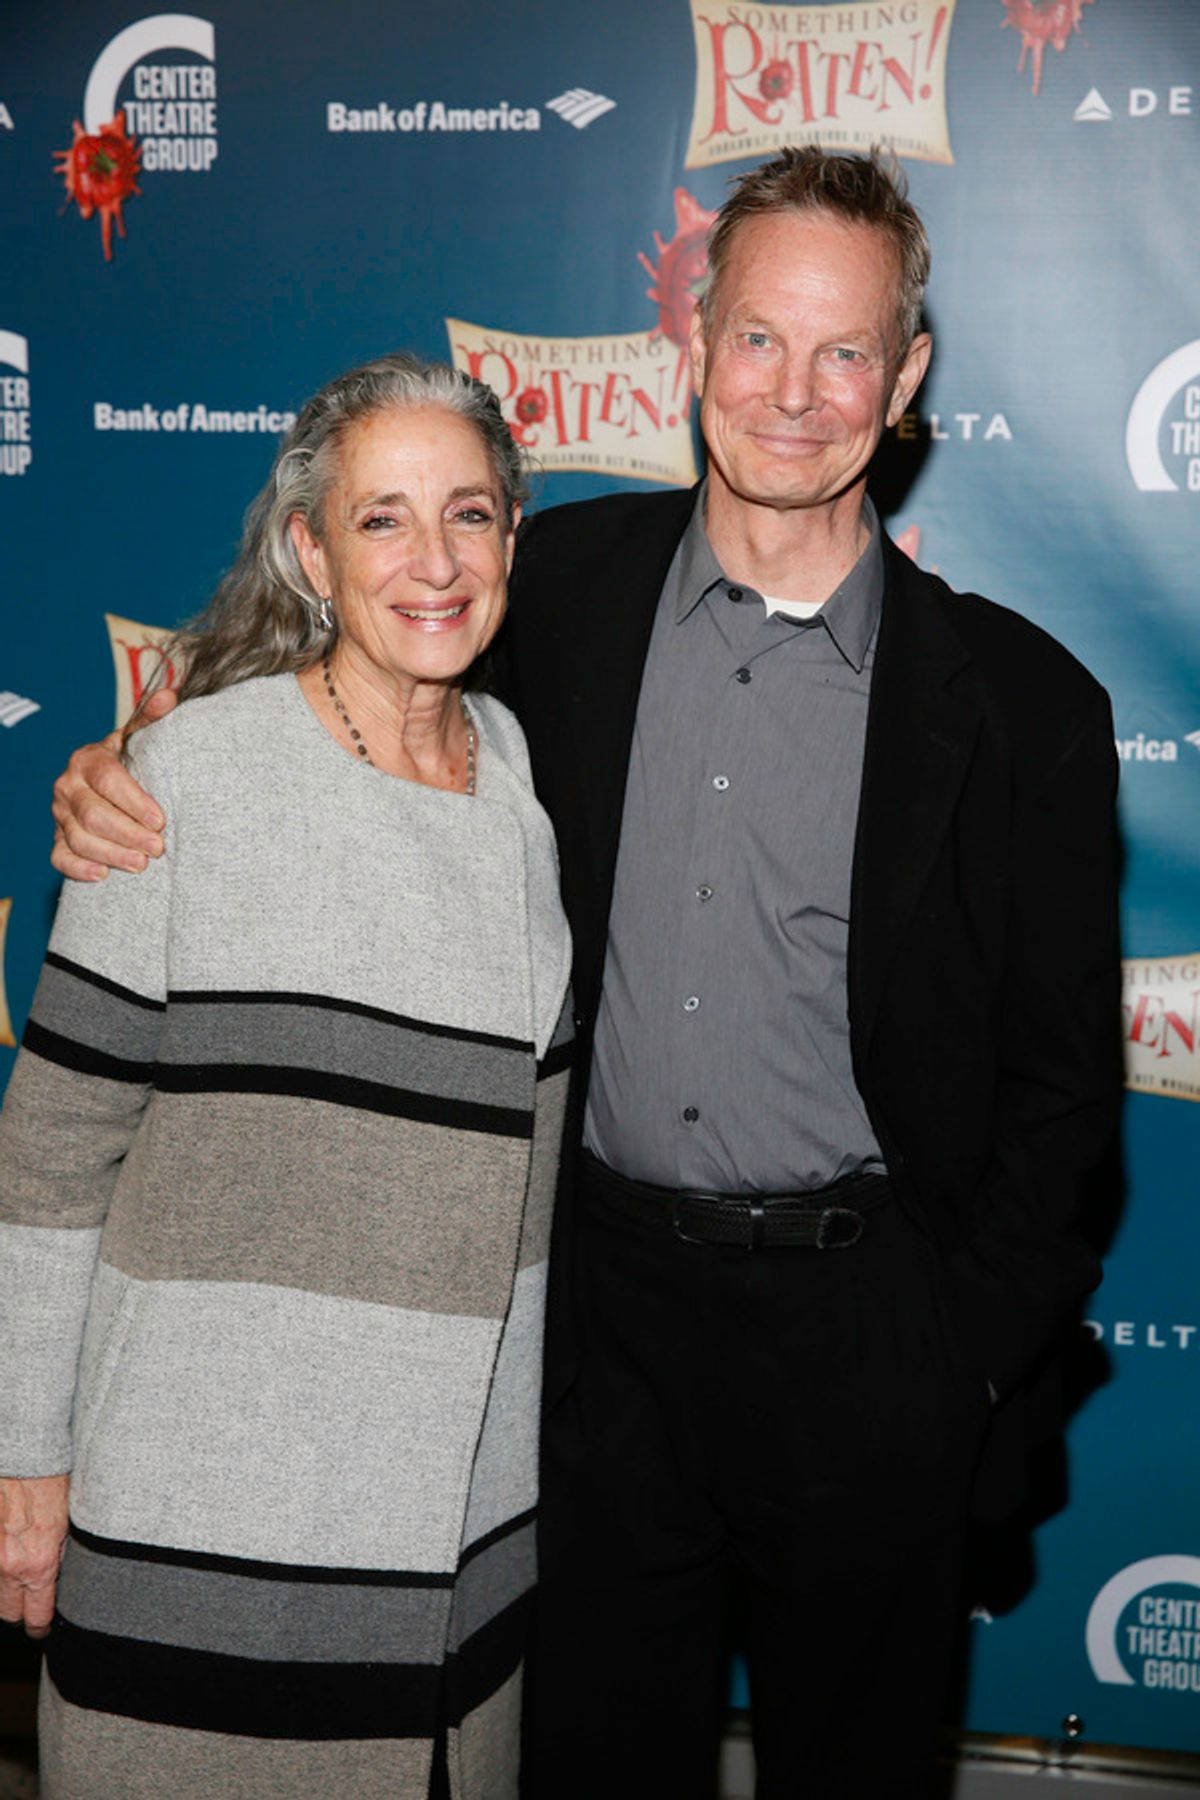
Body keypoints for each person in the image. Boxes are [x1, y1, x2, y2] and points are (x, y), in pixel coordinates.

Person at [47, 151, 1121, 1798]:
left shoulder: (1032, 709)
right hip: (593, 1341)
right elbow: (350, 641)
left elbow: (1064, 1107)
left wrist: (951, 1366)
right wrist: (133, 766)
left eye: (846, 354)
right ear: (695, 343)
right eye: (761, 339)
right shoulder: (555, 595)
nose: (795, 393)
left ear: (903, 383)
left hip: (872, 1342)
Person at [0, 352, 572, 1800]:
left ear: (515, 528)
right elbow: (55, 1149)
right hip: (206, 1528)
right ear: (311, 549)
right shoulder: (186, 782)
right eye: (382, 521)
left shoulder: (519, 778)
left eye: (469, 514)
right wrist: (24, 1458)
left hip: (457, 1549)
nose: (434, 563)